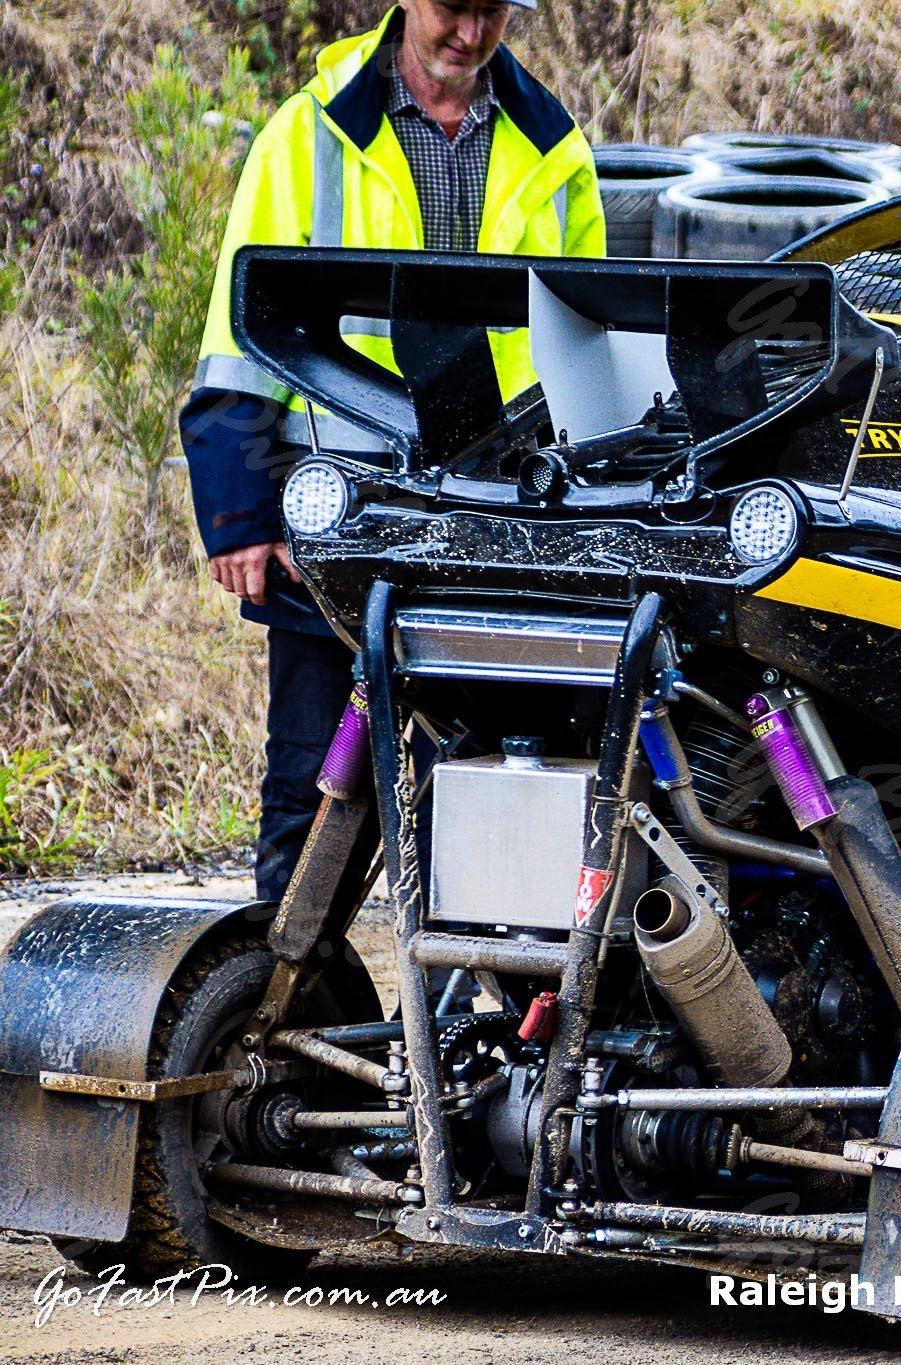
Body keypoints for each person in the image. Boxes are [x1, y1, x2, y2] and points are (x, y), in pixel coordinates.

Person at [182, 0, 606, 900]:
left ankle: (468, 1016)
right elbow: (239, 325)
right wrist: (237, 509)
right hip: (340, 511)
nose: (472, 33)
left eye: (494, 12)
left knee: (493, 778)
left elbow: (586, 340)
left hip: (492, 514)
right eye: (455, 8)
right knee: (317, 780)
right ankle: (291, 1004)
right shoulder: (308, 133)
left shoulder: (555, 146)